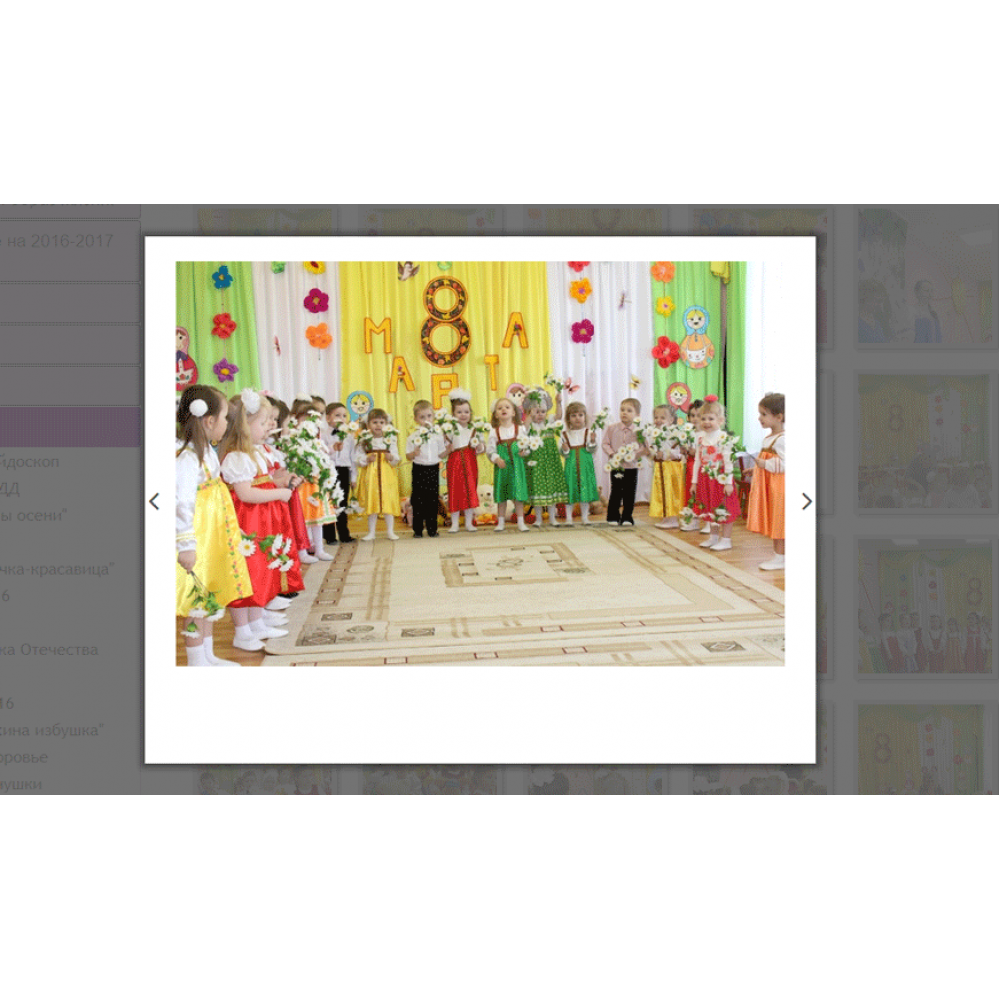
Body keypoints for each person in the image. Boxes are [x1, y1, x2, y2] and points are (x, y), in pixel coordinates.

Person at [218, 388, 302, 652]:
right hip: (248, 523)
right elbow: (245, 493)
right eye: (263, 422)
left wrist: (282, 482)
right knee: (247, 573)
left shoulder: (254, 453)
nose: (269, 427)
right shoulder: (237, 456)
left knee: (261, 571)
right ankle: (242, 631)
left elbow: (262, 482)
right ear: (245, 424)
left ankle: (256, 622)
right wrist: (280, 493)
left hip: (262, 520)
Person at [175, 386, 252, 666]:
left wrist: (230, 529)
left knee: (209, 595)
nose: (227, 424)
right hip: (197, 539)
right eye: (224, 418)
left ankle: (208, 655)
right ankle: (196, 661)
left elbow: (217, 498)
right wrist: (185, 545)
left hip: (212, 536)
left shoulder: (206, 451)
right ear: (209, 421)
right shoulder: (186, 458)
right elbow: (181, 503)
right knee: (196, 601)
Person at [690, 396, 741, 551]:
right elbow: (697, 461)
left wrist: (728, 483)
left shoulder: (724, 438)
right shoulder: (701, 438)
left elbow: (728, 461)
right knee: (710, 507)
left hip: (721, 479)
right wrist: (694, 482)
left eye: (711, 419)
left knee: (724, 508)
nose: (706, 422)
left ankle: (726, 539)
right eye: (703, 418)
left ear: (720, 420)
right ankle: (713, 537)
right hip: (706, 479)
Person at [746, 392, 785, 570]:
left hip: (780, 488)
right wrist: (756, 469)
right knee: (775, 520)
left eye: (764, 414)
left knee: (779, 521)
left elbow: (787, 464)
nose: (759, 418)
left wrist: (766, 464)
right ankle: (779, 556)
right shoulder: (769, 438)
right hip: (772, 486)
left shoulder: (782, 439)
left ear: (779, 417)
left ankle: (780, 558)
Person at [523, 387, 569, 527]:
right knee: (537, 490)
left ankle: (552, 518)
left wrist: (559, 402)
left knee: (551, 489)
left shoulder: (549, 421)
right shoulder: (529, 425)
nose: (540, 415)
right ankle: (538, 519)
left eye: (543, 411)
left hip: (550, 462)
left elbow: (558, 416)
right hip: (535, 463)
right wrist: (529, 415)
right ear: (530, 412)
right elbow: (524, 429)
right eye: (537, 412)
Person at [442, 388, 484, 533]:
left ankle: (468, 522)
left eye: (466, 411)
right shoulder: (450, 429)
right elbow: (445, 446)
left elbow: (481, 448)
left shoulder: (475, 428)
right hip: (455, 463)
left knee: (470, 490)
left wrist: (479, 446)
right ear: (453, 414)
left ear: (470, 413)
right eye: (459, 412)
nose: (463, 415)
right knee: (455, 491)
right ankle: (454, 523)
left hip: (470, 463)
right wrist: (448, 446)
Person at [356, 408, 400, 541]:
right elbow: (358, 458)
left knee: (387, 502)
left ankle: (390, 531)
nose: (378, 425)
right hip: (371, 475)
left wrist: (391, 457)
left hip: (387, 475)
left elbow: (397, 458)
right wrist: (366, 459)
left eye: (381, 422)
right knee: (372, 502)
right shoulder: (364, 440)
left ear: (386, 424)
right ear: (368, 424)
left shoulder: (390, 439)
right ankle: (371, 532)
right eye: (375, 422)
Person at [486, 397, 530, 532]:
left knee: (518, 495)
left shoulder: (520, 429)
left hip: (517, 467)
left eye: (507, 407)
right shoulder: (494, 432)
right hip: (502, 467)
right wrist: (496, 459)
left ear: (513, 412)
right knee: (502, 495)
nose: (503, 409)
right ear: (496, 414)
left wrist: (524, 451)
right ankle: (501, 522)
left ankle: (521, 522)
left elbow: (527, 446)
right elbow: (490, 451)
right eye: (500, 408)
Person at [404, 399, 445, 538]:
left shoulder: (438, 435)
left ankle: (432, 528)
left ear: (433, 417)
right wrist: (413, 453)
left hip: (433, 468)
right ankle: (417, 529)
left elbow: (441, 453)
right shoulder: (412, 437)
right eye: (422, 417)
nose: (426, 420)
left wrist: (449, 449)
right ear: (416, 419)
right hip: (419, 468)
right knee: (418, 499)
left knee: (432, 498)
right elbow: (408, 456)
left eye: (429, 416)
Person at [602, 397, 643, 526]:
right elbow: (605, 443)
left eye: (629, 410)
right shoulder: (612, 428)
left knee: (629, 492)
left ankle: (627, 517)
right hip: (617, 466)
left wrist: (633, 455)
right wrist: (612, 454)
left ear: (637, 415)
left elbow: (643, 447)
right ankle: (613, 516)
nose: (624, 413)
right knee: (616, 491)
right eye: (622, 410)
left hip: (631, 466)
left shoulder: (639, 431)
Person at [559, 401, 599, 526]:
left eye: (580, 415)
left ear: (585, 417)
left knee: (584, 491)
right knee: (570, 491)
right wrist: (565, 449)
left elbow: (591, 450)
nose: (577, 418)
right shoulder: (564, 434)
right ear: (568, 419)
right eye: (573, 415)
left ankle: (585, 517)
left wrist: (593, 441)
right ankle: (569, 518)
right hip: (570, 468)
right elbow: (564, 454)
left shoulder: (588, 432)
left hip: (585, 467)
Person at [648, 404, 685, 529]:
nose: (658, 420)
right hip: (661, 467)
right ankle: (665, 517)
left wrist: (664, 454)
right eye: (656, 417)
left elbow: (678, 453)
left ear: (671, 420)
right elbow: (653, 450)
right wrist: (654, 454)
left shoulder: (674, 434)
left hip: (671, 468)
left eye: (662, 418)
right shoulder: (656, 433)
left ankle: (673, 518)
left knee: (671, 492)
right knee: (661, 492)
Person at [324, 401, 356, 544]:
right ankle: (329, 535)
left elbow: (352, 457)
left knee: (342, 502)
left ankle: (344, 533)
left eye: (344, 416)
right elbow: (321, 453)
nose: (341, 419)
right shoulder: (324, 435)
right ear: (328, 418)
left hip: (344, 470)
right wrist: (333, 448)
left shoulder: (349, 436)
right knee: (329, 502)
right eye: (337, 415)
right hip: (329, 471)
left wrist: (353, 477)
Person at [679, 399, 703, 531]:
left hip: (699, 467)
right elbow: (686, 450)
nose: (695, 419)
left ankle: (697, 519)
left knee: (698, 493)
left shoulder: (704, 434)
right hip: (689, 465)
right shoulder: (688, 432)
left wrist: (696, 452)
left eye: (698, 416)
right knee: (689, 491)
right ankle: (690, 518)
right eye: (692, 415)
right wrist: (684, 450)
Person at [911, 280, 943, 344]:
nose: (930, 294)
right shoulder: (912, 312)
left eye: (931, 291)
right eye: (926, 291)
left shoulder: (934, 314)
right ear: (917, 292)